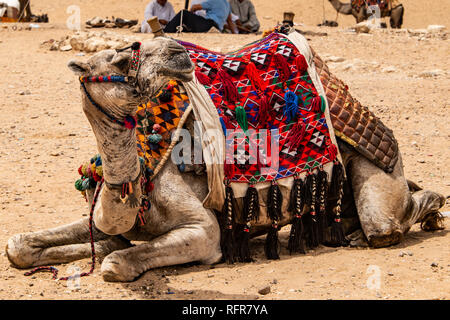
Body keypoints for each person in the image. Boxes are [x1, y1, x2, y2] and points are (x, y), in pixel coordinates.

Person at [164, 0, 237, 34]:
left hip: (209, 25)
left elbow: (195, 7)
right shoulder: (227, 4)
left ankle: (165, 31)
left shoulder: (214, 1)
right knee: (187, 30)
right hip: (217, 28)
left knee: (184, 13)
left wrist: (191, 14)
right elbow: (230, 21)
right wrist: (234, 34)